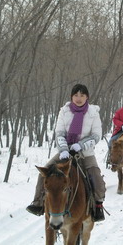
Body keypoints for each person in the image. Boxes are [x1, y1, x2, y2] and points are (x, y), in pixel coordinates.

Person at [26, 84, 106, 222]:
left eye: (82, 95)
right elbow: (59, 132)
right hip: (65, 152)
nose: (79, 98)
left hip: (85, 153)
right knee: (44, 172)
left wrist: (80, 145)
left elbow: (96, 135)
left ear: (87, 97)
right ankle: (38, 203)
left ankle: (97, 206)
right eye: (76, 95)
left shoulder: (93, 113)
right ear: (71, 97)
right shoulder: (64, 111)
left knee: (96, 177)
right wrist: (64, 149)